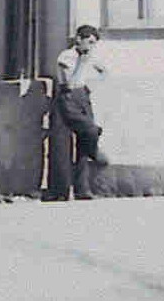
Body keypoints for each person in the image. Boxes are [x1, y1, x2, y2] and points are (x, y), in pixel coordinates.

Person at [48, 25, 110, 201]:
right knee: (86, 132)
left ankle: (82, 190)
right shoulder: (66, 57)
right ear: (78, 39)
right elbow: (70, 82)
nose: (91, 47)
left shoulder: (89, 56)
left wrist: (93, 82)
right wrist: (82, 64)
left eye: (93, 43)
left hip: (83, 95)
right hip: (67, 98)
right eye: (89, 42)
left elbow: (104, 71)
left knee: (83, 145)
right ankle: (95, 152)